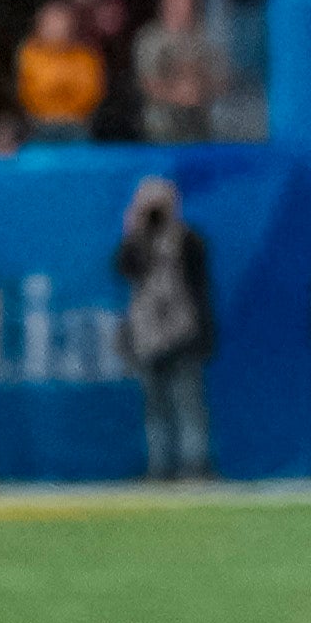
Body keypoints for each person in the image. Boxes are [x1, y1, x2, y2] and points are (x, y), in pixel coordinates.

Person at [117, 175, 219, 480]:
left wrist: (204, 332)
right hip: (148, 335)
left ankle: (194, 464)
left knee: (187, 401)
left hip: (182, 332)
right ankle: (159, 466)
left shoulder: (187, 239)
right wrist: (133, 231)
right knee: (155, 405)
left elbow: (200, 285)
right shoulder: (138, 242)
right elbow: (123, 269)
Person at [129, 0, 221, 142]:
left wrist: (202, 89)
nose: (181, 7)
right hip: (160, 131)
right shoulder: (149, 39)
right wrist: (179, 95)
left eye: (185, 1)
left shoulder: (206, 39)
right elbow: (146, 82)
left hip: (199, 132)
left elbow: (222, 78)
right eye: (175, 2)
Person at [13, 0, 103, 140]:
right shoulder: (28, 54)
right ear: (39, 26)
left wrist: (67, 115)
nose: (57, 28)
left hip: (76, 123)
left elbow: (91, 92)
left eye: (61, 22)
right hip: (38, 123)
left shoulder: (86, 57)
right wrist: (47, 113)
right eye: (51, 23)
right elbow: (25, 91)